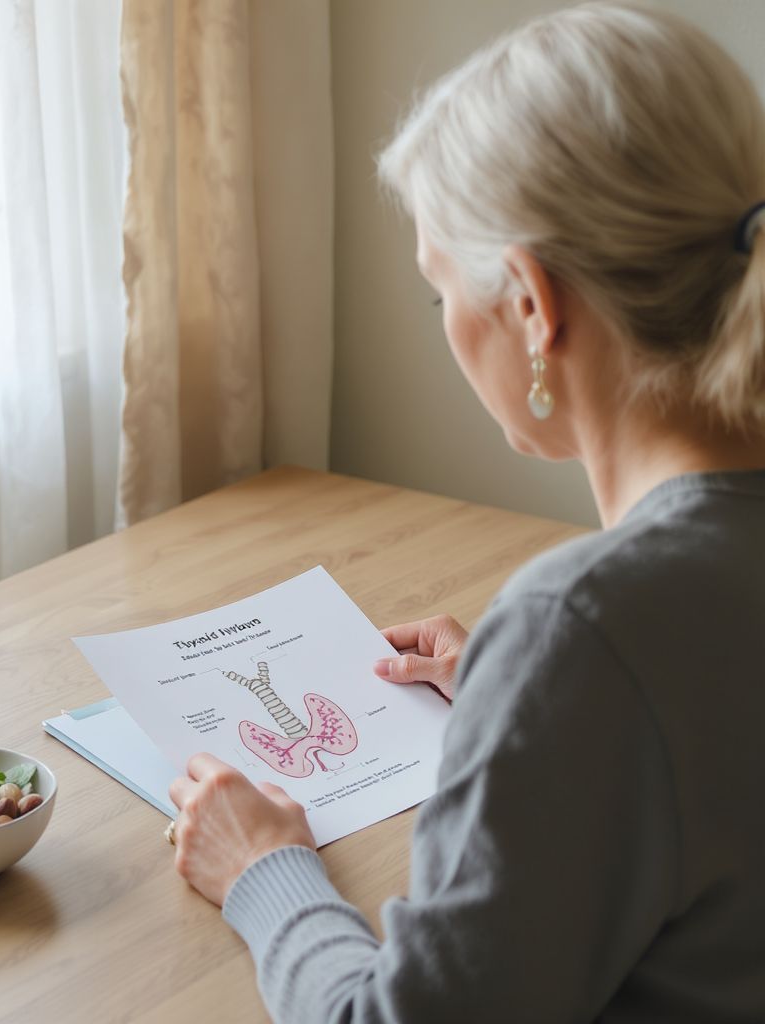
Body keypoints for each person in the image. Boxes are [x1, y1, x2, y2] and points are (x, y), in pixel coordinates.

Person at [167, 3, 765, 1020]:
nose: (445, 325)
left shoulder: (587, 627)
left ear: (532, 304)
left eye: (437, 289)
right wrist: (533, 698)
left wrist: (264, 868)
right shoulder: (603, 639)